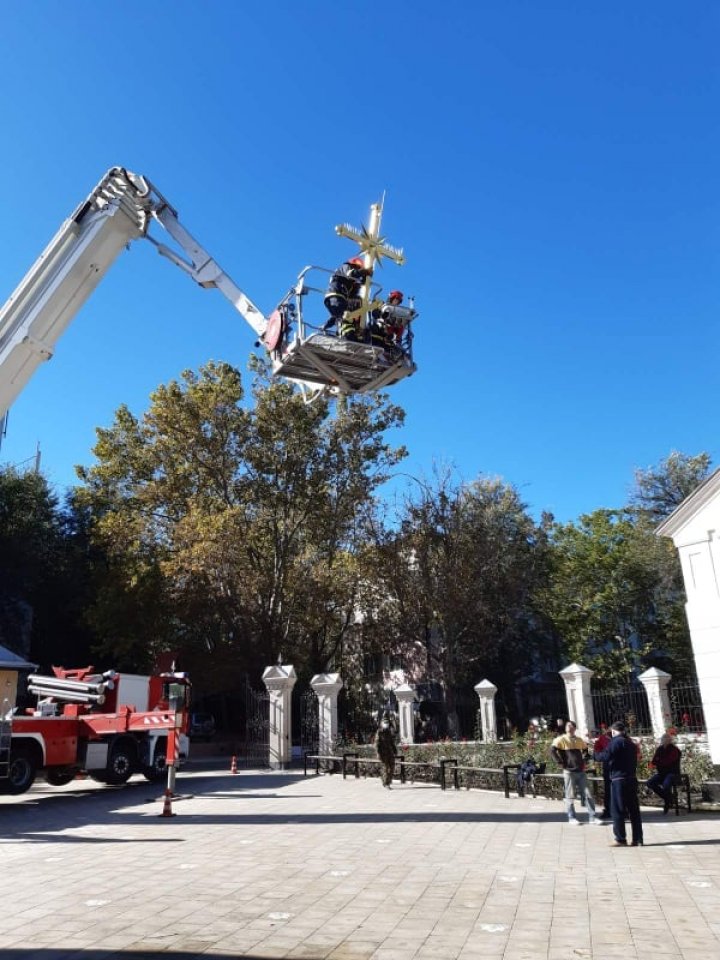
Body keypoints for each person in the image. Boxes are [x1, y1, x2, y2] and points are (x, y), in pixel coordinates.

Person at [593, 720, 644, 847]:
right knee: (634, 810)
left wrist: (594, 753)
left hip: (619, 780)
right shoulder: (631, 743)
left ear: (614, 731)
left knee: (617, 810)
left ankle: (620, 838)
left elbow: (604, 757)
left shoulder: (616, 742)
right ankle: (638, 839)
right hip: (632, 779)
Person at [550, 720, 602, 825]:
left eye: (570, 725)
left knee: (588, 794)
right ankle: (571, 817)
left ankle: (592, 817)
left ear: (574, 728)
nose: (568, 727)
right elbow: (552, 750)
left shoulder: (579, 740)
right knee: (570, 795)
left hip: (580, 771)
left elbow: (585, 750)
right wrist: (559, 762)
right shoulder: (561, 739)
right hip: (569, 771)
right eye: (567, 725)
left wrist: (585, 760)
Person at [323, 257, 372, 340]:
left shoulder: (350, 284)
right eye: (358, 268)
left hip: (339, 297)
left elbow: (354, 293)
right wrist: (364, 271)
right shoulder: (346, 266)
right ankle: (347, 334)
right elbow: (351, 274)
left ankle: (327, 327)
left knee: (340, 315)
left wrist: (365, 278)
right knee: (345, 316)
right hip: (336, 294)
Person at [647, 733, 682, 814]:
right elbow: (654, 761)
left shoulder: (674, 749)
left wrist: (659, 761)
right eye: (663, 739)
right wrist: (658, 761)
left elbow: (668, 761)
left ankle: (668, 800)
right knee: (650, 783)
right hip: (661, 773)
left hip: (673, 773)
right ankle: (669, 798)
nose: (664, 741)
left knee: (666, 784)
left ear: (670, 740)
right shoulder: (659, 749)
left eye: (666, 739)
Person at [592, 726, 613, 819]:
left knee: (618, 791)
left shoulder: (623, 739)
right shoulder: (602, 739)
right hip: (609, 768)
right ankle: (608, 811)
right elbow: (596, 754)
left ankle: (622, 811)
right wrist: (604, 756)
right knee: (608, 790)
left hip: (618, 769)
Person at [375, 712, 397, 789]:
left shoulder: (388, 732)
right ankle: (386, 783)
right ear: (382, 723)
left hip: (390, 752)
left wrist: (395, 750)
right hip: (383, 754)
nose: (386, 724)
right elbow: (377, 744)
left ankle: (386, 781)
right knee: (385, 768)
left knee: (392, 767)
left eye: (387, 722)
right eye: (385, 722)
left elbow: (392, 742)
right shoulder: (379, 732)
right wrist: (378, 754)